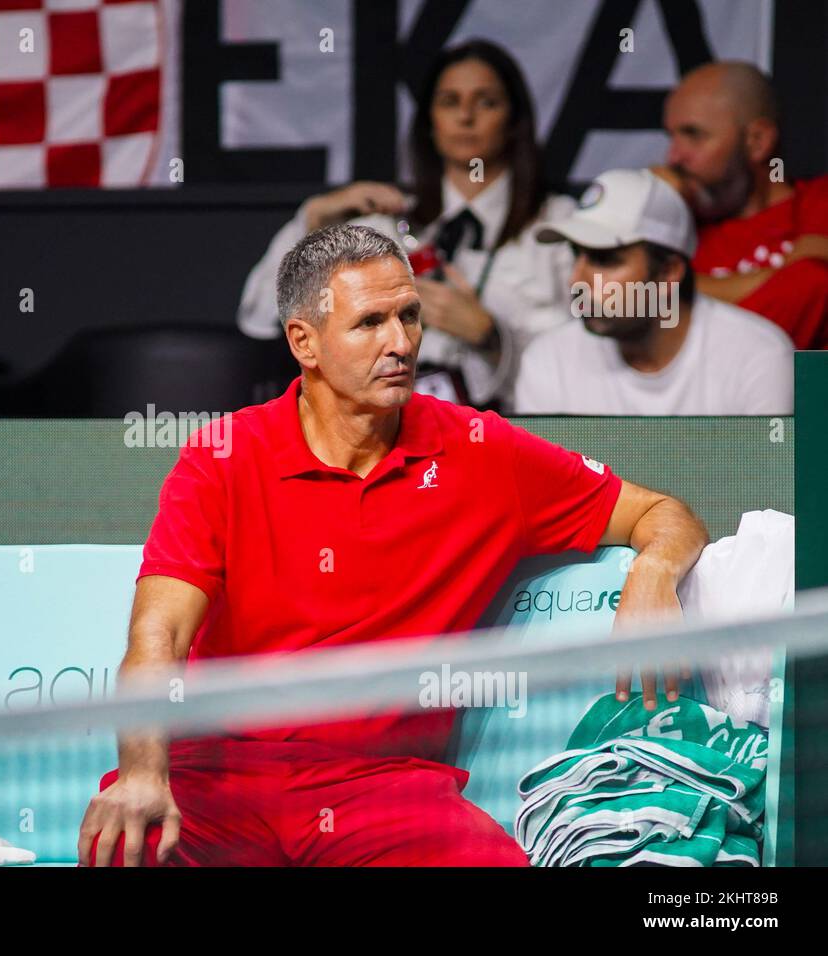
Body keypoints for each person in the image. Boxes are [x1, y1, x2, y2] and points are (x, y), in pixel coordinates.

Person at [79, 224, 709, 867]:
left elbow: (661, 513)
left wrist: (655, 570)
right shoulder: (220, 458)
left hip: (385, 790)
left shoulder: (483, 452)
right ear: (305, 343)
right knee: (127, 847)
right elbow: (159, 636)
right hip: (216, 778)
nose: (401, 342)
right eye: (370, 322)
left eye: (410, 315)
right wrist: (141, 774)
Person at [237, 40, 576, 411]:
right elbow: (260, 318)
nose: (465, 117)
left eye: (486, 102)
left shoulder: (560, 227)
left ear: (514, 121)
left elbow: (586, 366)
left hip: (512, 437)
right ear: (429, 123)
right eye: (449, 102)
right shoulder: (384, 227)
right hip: (387, 441)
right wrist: (312, 221)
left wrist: (491, 338)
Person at [515, 168, 794, 415]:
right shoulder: (548, 360)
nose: (576, 280)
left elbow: (770, 475)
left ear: (668, 272)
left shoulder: (758, 356)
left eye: (604, 259)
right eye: (576, 254)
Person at [662, 60, 828, 349]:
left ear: (758, 141)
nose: (673, 157)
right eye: (671, 136)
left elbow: (813, 286)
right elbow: (628, 311)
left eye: (693, 135)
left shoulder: (818, 200)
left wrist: (673, 288)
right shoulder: (674, 227)